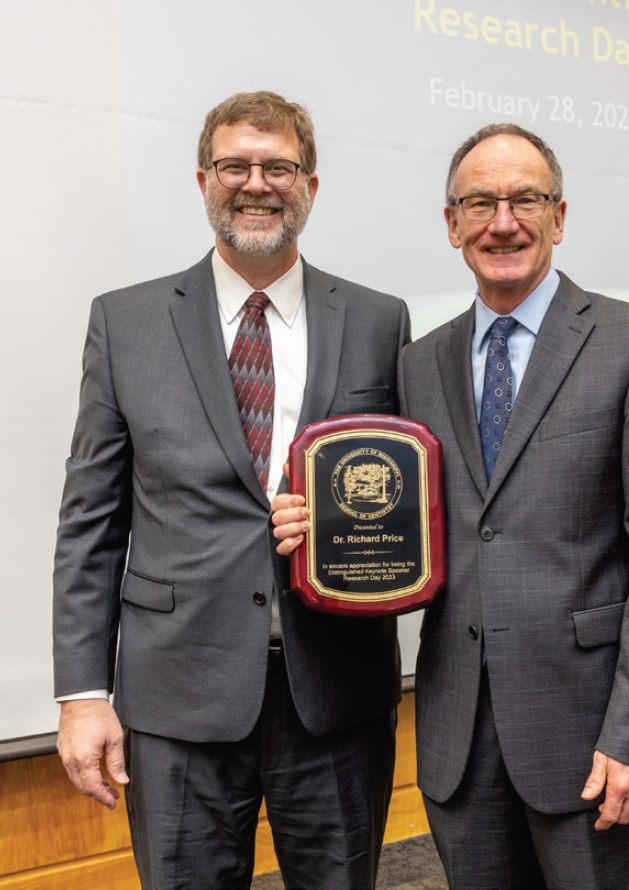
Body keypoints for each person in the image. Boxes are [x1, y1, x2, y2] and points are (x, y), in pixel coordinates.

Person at [272, 124, 629, 888]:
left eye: (525, 200)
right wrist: (315, 527)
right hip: (459, 736)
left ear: (560, 217)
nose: (502, 221)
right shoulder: (420, 361)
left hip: (596, 737)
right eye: (479, 203)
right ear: (452, 225)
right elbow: (405, 520)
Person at [53, 90, 410, 890]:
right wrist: (82, 694)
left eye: (279, 166)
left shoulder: (380, 321)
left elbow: (407, 491)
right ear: (203, 180)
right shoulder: (126, 321)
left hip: (337, 693)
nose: (257, 183)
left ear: (310, 186)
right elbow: (91, 523)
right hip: (176, 697)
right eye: (235, 165)